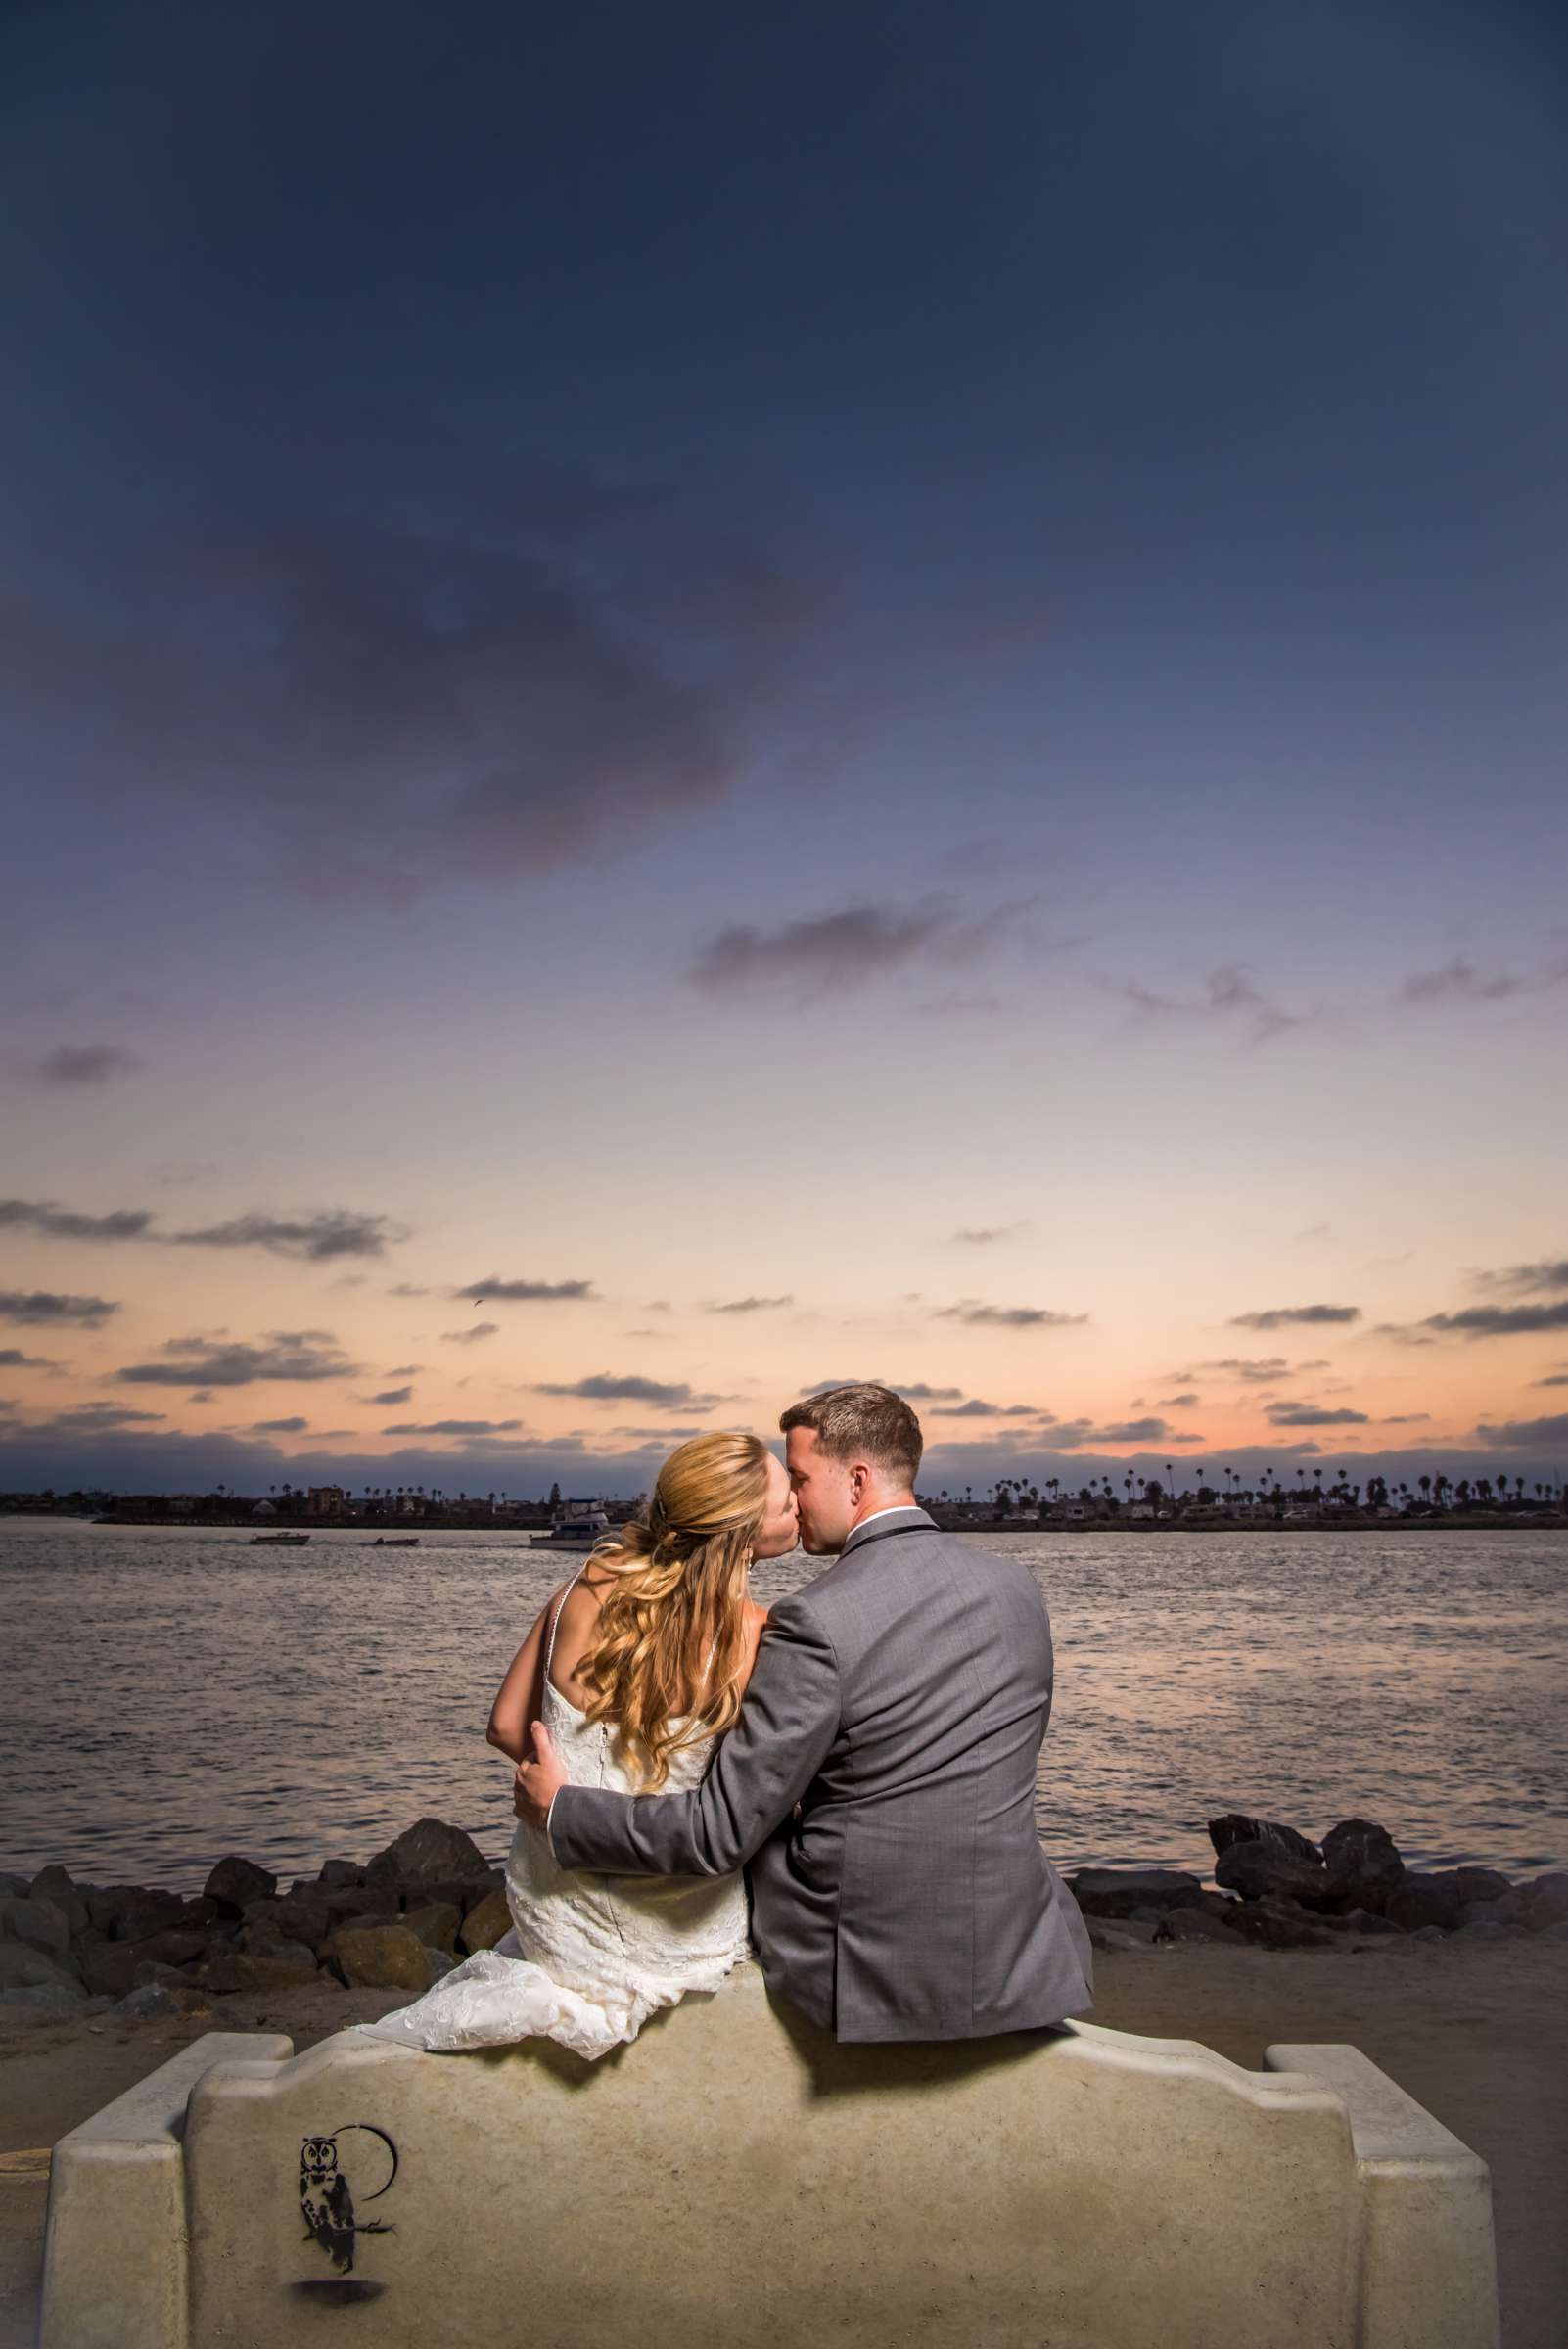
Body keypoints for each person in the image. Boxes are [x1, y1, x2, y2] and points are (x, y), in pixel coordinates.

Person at [516, 1382, 1093, 2044]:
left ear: (856, 1480)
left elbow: (717, 1835)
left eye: (798, 1478)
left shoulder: (813, 1620)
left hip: (864, 1967)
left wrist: (563, 1809)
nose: (791, 1500)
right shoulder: (1017, 1590)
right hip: (1019, 1948)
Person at [359, 1429, 800, 2059]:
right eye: (787, 1502)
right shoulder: (758, 1635)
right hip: (677, 1936)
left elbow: (507, 1728)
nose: (799, 1509)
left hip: (556, 1919)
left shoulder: (585, 1585)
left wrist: (564, 1795)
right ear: (742, 1533)